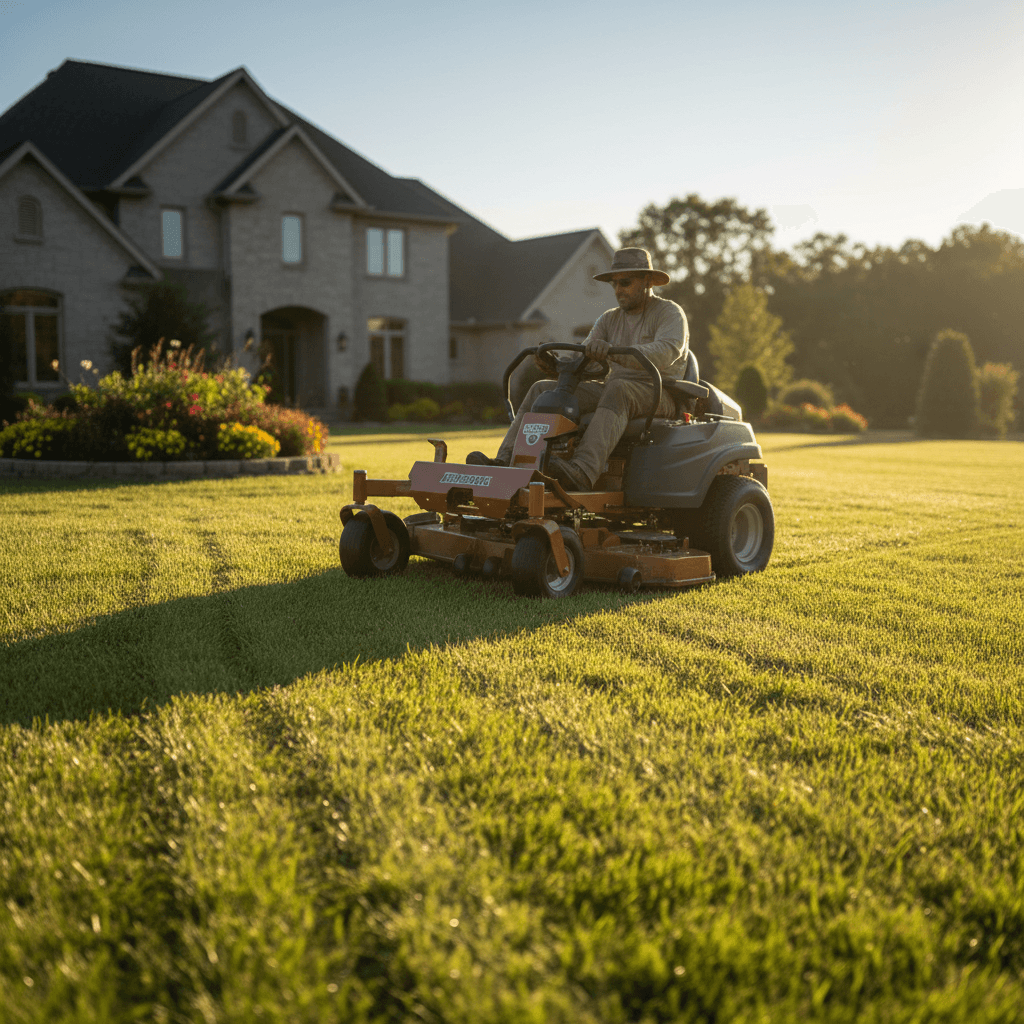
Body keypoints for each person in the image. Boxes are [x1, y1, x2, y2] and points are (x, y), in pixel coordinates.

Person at [467, 247, 689, 490]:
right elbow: (584, 359)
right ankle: (505, 461)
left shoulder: (669, 313)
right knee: (541, 389)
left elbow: (668, 351)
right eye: (613, 284)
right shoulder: (609, 319)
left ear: (647, 281)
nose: (618, 290)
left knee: (618, 388)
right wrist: (554, 363)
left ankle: (582, 471)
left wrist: (614, 351)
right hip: (615, 389)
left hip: (660, 392)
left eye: (625, 282)